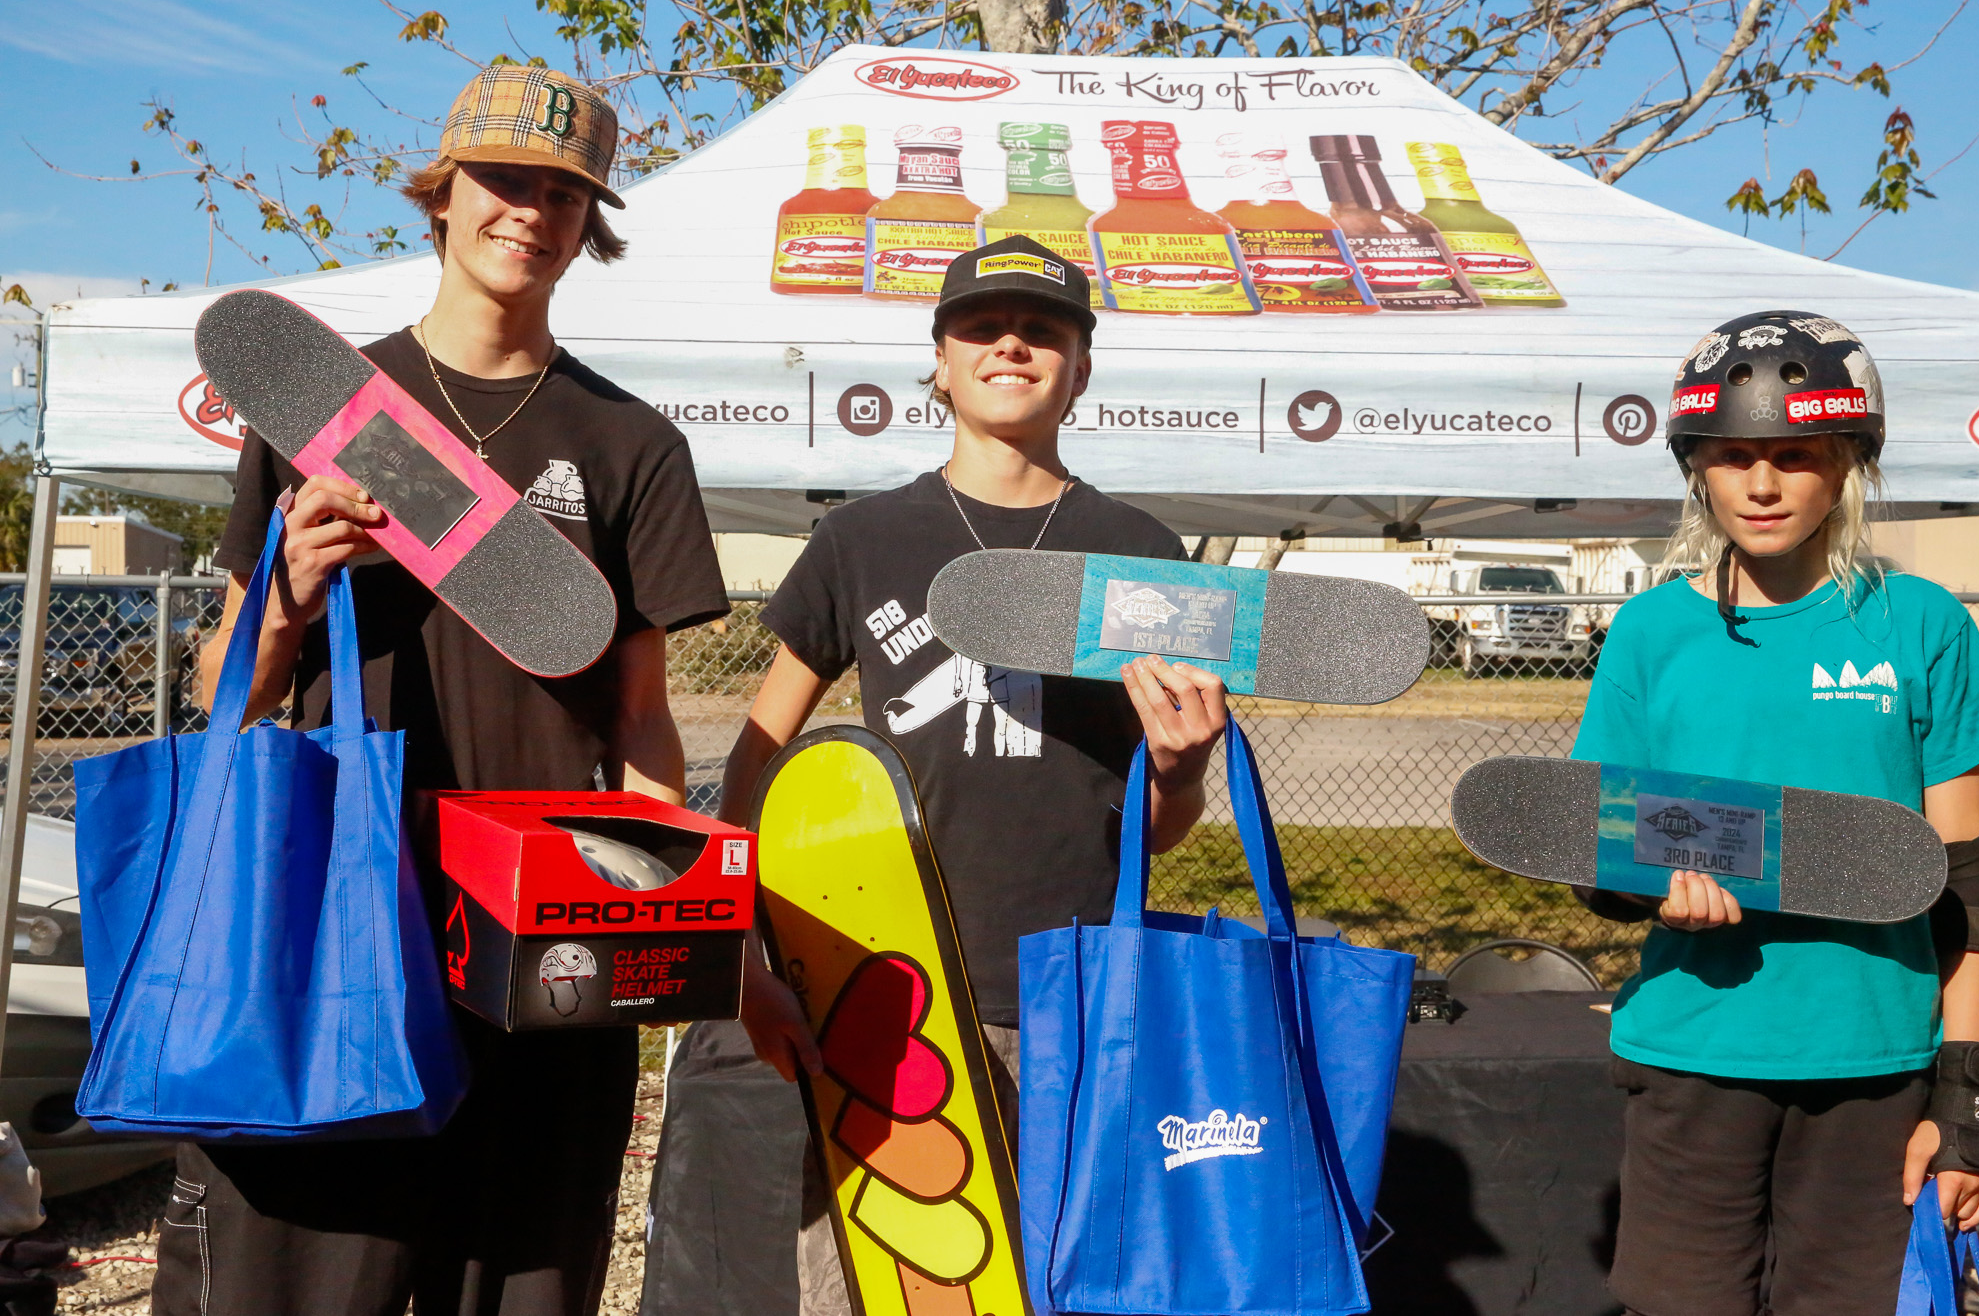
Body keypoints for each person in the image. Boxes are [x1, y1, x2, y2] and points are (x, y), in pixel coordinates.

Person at [176, 65, 730, 1316]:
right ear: (443, 193)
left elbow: (643, 721)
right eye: (502, 182)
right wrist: (291, 594)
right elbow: (225, 690)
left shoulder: (630, 445)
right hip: (330, 937)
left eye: (562, 194)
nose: (528, 212)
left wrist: (652, 926)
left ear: (590, 226)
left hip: (545, 953)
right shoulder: (316, 404)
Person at [644, 236, 1230, 1315]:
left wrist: (1182, 773)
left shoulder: (1136, 548)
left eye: (1043, 328)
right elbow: (759, 759)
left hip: (1076, 990)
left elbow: (1155, 826)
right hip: (877, 987)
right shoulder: (861, 540)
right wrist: (748, 954)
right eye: (981, 326)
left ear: (1081, 367)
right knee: (893, 1286)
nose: (1011, 342)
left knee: (1071, 1286)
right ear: (940, 360)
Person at [1572, 310, 1979, 1316]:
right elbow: (1606, 842)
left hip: (1873, 1068)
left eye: (1793, 455)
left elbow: (1978, 886)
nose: (1763, 484)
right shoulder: (1650, 632)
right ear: (1696, 467)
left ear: (1846, 465)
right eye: (1732, 456)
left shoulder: (1918, 623)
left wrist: (1969, 1110)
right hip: (1692, 1052)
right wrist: (1650, 893)